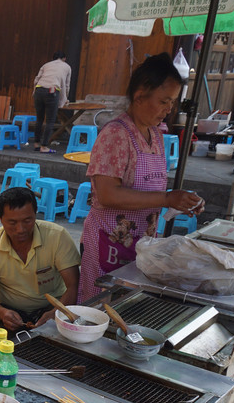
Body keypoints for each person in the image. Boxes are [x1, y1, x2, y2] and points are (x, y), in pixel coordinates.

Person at [78, 53, 204, 303]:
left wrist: (180, 202)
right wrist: (167, 198)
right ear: (139, 95)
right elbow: (107, 194)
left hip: (141, 246)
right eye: (164, 101)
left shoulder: (155, 135)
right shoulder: (116, 134)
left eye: (173, 102)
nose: (169, 109)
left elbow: (152, 191)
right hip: (108, 243)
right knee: (100, 310)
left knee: (128, 307)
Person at [0, 187, 81, 332]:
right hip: (9, 309)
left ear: (35, 214)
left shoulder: (57, 236)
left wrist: (56, 314)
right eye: (12, 222)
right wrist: (3, 313)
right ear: (0, 218)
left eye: (27, 220)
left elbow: (74, 285)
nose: (20, 229)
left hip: (55, 307)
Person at [32, 51, 73, 153]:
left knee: (39, 119)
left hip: (39, 90)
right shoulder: (67, 67)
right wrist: (65, 98)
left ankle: (36, 143)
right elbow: (66, 85)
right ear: (64, 58)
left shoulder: (46, 65)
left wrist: (34, 92)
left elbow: (36, 79)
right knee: (50, 120)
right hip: (52, 91)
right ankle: (44, 146)